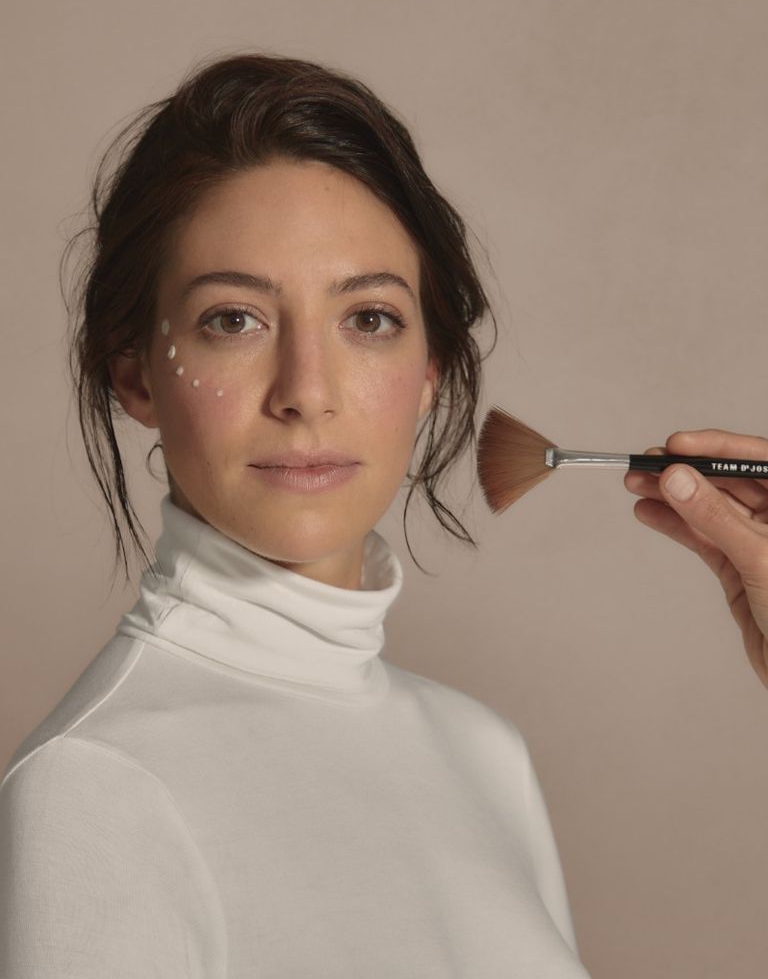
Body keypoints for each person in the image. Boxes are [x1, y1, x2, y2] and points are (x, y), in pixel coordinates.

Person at [1, 53, 766, 978]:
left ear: (432, 370)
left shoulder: (486, 756)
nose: (307, 391)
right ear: (133, 373)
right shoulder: (93, 791)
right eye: (234, 320)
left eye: (368, 319)